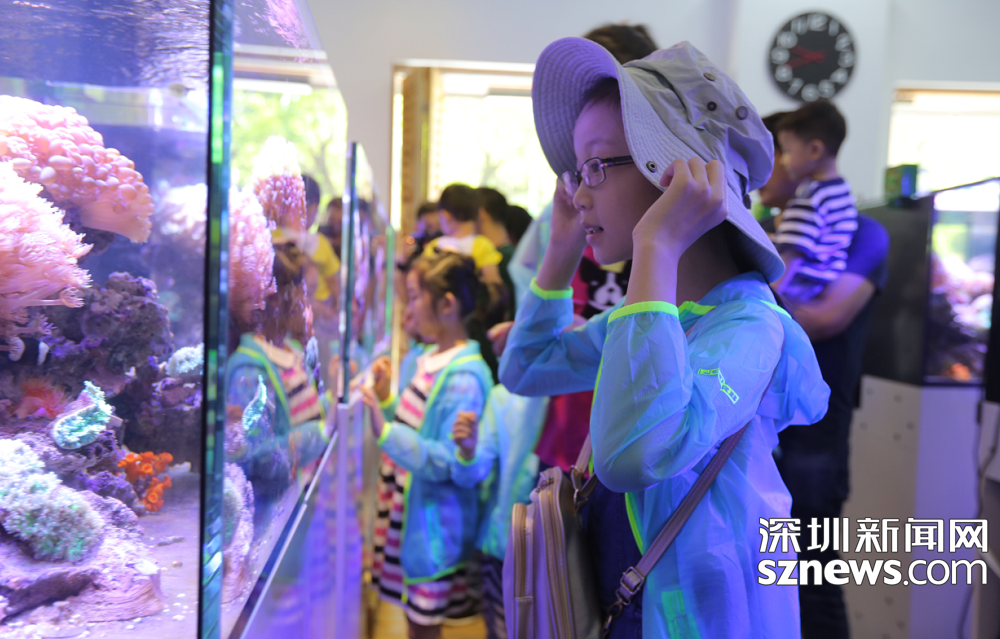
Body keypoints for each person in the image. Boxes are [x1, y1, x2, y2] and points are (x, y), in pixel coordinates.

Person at [499, 38, 830, 639]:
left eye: (596, 166)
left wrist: (657, 244)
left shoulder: (751, 329)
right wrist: (561, 249)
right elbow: (527, 368)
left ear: (672, 172)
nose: (577, 193)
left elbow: (635, 456)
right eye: (575, 173)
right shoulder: (663, 317)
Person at [758, 111, 890, 639]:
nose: (759, 172)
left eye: (769, 156)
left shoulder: (865, 232)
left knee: (812, 576)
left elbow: (825, 318)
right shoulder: (765, 235)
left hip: (815, 433)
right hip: (759, 432)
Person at [359, 252, 495, 639]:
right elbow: (414, 427)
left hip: (433, 528)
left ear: (447, 305)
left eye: (416, 296)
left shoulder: (463, 377)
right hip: (410, 518)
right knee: (413, 616)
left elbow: (443, 462)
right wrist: (387, 400)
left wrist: (384, 430)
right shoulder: (428, 357)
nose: (409, 307)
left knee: (424, 624)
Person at [770, 102, 858, 303]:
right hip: (822, 283)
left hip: (795, 286)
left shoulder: (810, 196)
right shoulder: (842, 190)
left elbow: (792, 255)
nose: (783, 161)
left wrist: (769, 300)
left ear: (814, 150)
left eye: (787, 151)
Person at [424, 183, 504, 285]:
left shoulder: (435, 245)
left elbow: (422, 279)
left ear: (445, 215)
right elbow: (494, 283)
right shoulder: (482, 244)